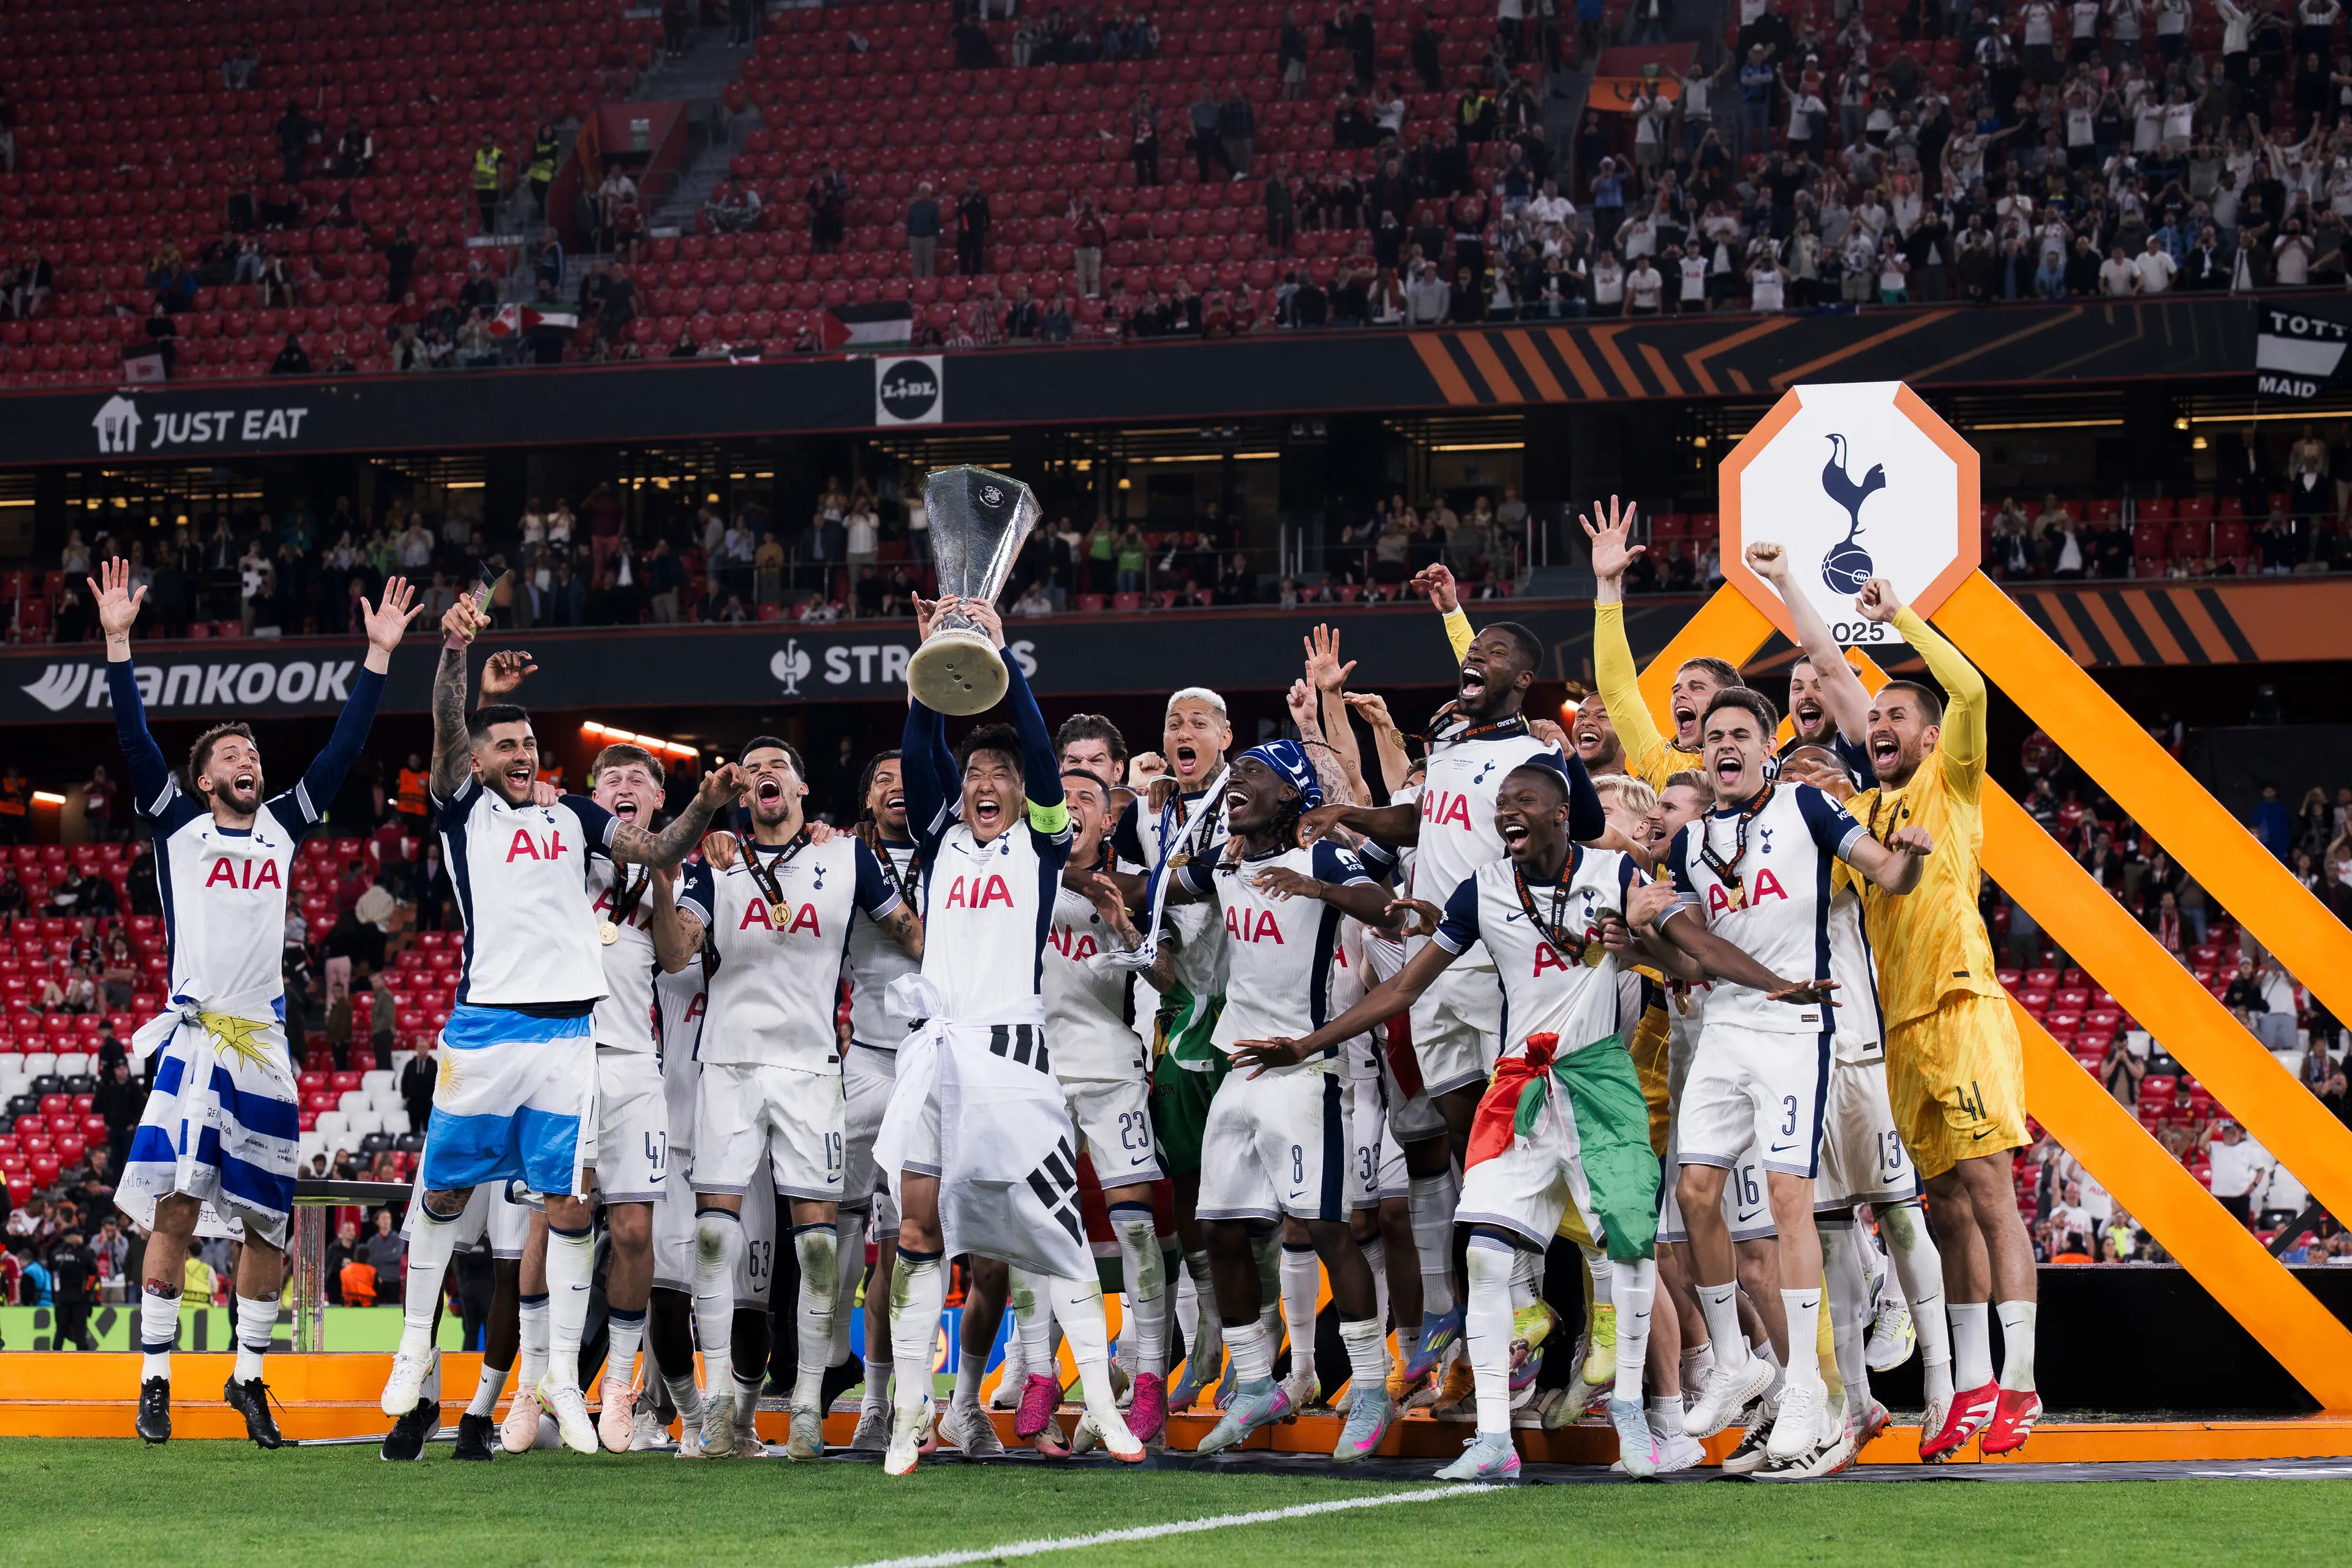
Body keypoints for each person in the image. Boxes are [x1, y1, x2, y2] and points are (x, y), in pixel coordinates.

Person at [376, 598, 741, 1453]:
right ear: (476, 758)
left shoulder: (572, 819)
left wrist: (704, 808)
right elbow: (443, 725)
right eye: (505, 745)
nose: (523, 756)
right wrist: (457, 652)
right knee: (442, 1192)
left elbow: (654, 853)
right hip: (482, 1027)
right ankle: (411, 1348)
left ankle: (564, 1389)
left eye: (532, 747)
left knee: (570, 1212)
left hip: (568, 1041)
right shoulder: (465, 810)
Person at [91, 557, 421, 1447]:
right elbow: (133, 742)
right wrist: (119, 644)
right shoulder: (178, 825)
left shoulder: (280, 824)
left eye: (253, 755)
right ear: (203, 780)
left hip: (266, 1045)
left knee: (270, 1222)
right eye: (231, 756)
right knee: (179, 1208)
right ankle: (155, 1381)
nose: (250, 761)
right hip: (197, 1041)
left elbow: (343, 750)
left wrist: (379, 658)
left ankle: (247, 1381)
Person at [876, 589, 1144, 1474]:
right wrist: (928, 669)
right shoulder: (936, 840)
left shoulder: (1039, 843)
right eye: (975, 774)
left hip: (1019, 1058)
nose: (986, 783)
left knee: (1058, 1240)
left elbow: (1035, 745)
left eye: (1000, 775)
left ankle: (1103, 1410)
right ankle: (912, 1418)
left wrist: (1002, 650)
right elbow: (918, 749)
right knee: (918, 1237)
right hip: (937, 1056)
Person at [1647, 686, 1930, 1474]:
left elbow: (1887, 876)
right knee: (1696, 1191)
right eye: (1713, 736)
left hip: (1797, 1027)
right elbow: (1689, 952)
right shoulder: (1689, 841)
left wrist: (1906, 853)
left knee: (1786, 1199)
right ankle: (1739, 1363)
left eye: (1741, 733)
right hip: (1723, 1027)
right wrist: (1638, 936)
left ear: (1767, 748)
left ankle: (1806, 1385)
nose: (1725, 746)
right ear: (1701, 755)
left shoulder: (1808, 808)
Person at [1827, 577, 2045, 1460]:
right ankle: (1971, 1384)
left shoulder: (1953, 785)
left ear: (1926, 736)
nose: (1879, 725)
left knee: (1991, 1197)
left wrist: (1898, 621)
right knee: (1947, 1209)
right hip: (1902, 1031)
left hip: (1960, 1008)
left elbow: (1972, 691)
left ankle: (2023, 1384)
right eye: (1870, 715)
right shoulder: (1865, 821)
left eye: (1895, 714)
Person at [1138, 741, 1403, 1462]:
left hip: (1307, 1070)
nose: (1234, 782)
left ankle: (1374, 1386)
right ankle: (1255, 1382)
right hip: (1239, 1068)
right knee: (1221, 1231)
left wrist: (1318, 889)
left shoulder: (1324, 860)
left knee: (1326, 1229)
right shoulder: (1224, 863)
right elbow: (1154, 889)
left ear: (1290, 794)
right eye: (1235, 770)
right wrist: (1090, 881)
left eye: (1253, 771)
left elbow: (1388, 910)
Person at [682, 737, 919, 1461]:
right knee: (717, 1238)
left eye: (778, 765)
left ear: (805, 786)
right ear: (741, 792)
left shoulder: (847, 858)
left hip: (814, 1068)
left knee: (819, 1251)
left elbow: (912, 934)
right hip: (726, 1064)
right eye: (752, 771)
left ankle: (810, 1404)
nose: (764, 776)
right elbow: (675, 949)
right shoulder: (713, 862)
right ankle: (719, 1402)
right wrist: (686, 846)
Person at [1585, 497, 1738, 788]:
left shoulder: (1773, 767)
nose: (1679, 696)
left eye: (1697, 687)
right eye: (1677, 690)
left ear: (1731, 700)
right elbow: (1617, 689)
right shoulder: (1668, 769)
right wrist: (1608, 584)